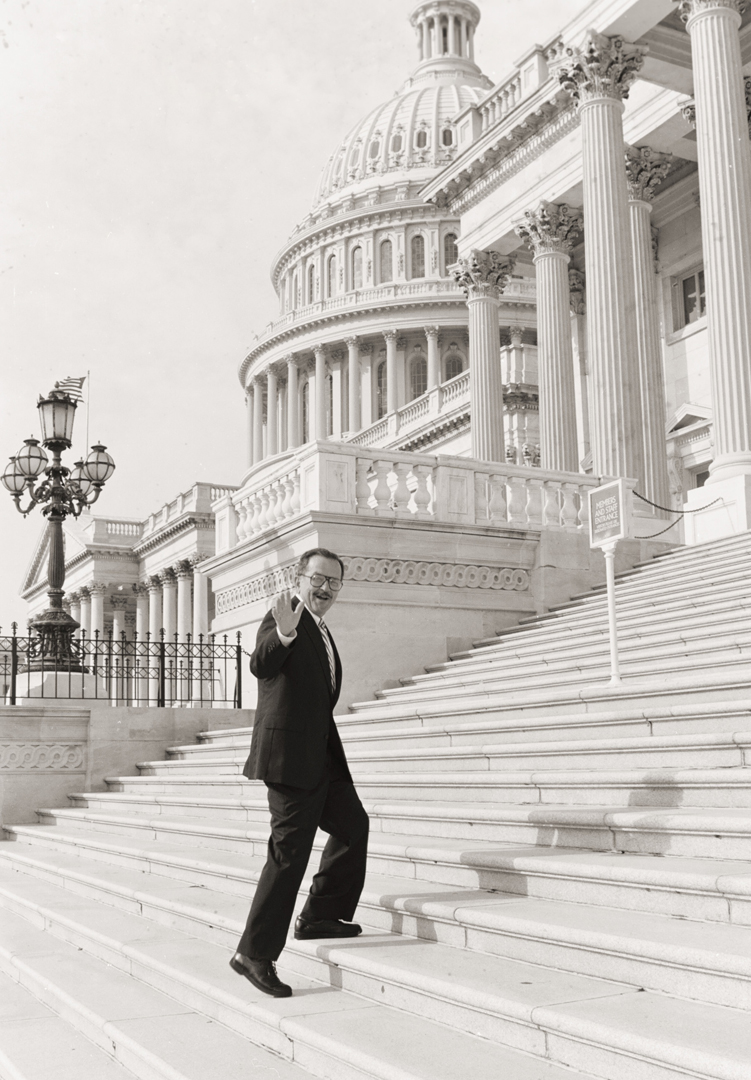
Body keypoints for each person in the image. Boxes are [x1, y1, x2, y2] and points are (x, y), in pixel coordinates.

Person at [230, 547, 369, 998]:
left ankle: (319, 916)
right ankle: (253, 954)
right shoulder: (286, 615)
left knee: (353, 826)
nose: (325, 588)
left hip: (320, 757)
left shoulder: (322, 629)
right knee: (289, 855)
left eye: (334, 582)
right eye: (318, 578)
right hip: (290, 760)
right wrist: (284, 636)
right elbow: (261, 663)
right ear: (299, 576)